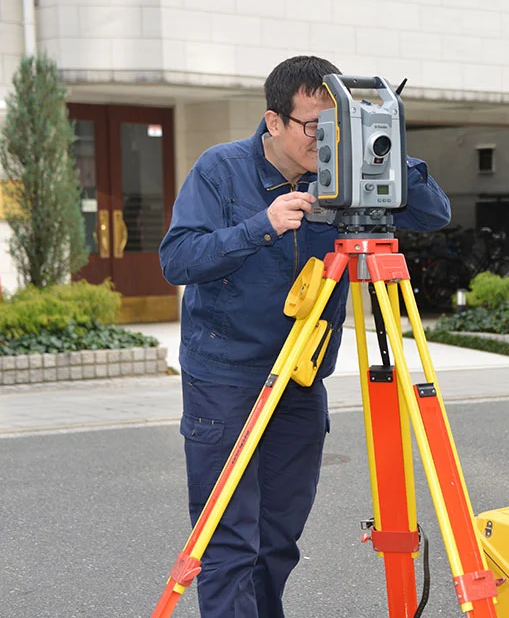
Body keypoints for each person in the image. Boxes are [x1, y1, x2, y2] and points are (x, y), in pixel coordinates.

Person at [159, 55, 451, 617]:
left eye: (336, 125)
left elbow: (433, 214)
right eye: (315, 127)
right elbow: (176, 259)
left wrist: (379, 141)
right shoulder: (220, 170)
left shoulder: (340, 175)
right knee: (228, 544)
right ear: (274, 122)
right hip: (227, 379)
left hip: (300, 378)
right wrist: (261, 225)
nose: (325, 139)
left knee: (277, 542)